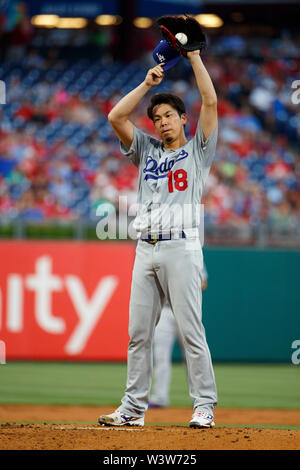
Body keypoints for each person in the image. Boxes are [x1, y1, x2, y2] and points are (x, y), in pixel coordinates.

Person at [98, 46, 218, 428]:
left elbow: (211, 101)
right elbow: (116, 116)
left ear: (184, 119)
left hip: (181, 247)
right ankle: (133, 409)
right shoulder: (146, 150)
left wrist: (195, 56)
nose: (162, 122)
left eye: (169, 115)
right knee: (137, 335)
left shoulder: (199, 150)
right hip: (145, 249)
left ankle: (204, 406)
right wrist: (146, 83)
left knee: (189, 331)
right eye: (157, 117)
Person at [149, 264, 208, 409]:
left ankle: (199, 398)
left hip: (186, 309)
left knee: (192, 356)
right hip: (165, 311)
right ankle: (160, 397)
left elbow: (203, 283)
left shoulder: (192, 254)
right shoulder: (159, 257)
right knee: (160, 356)